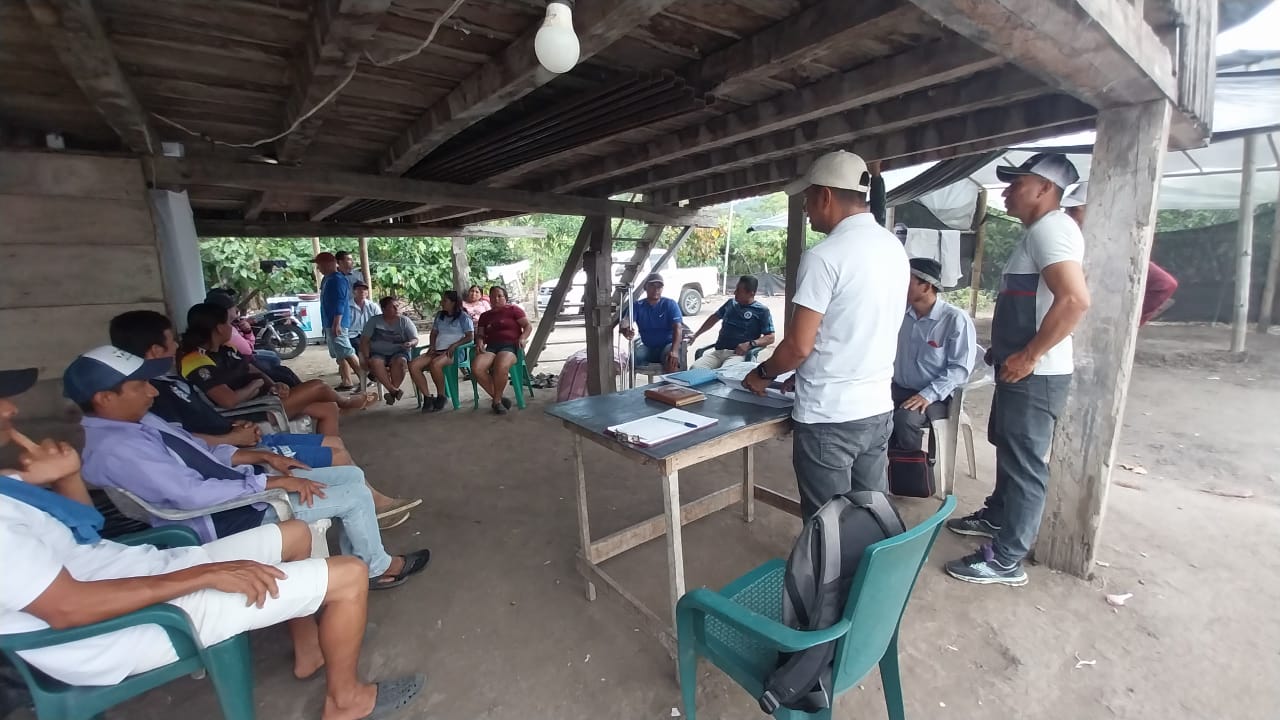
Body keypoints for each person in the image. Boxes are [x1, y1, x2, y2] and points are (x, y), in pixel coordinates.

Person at [0, 367, 425, 718]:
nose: (11, 409)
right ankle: (345, 701)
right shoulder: (108, 453)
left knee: (297, 535)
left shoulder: (15, 485)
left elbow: (86, 538)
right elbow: (69, 609)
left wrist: (67, 476)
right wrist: (206, 574)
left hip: (140, 574)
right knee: (348, 575)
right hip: (118, 630)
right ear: (105, 399)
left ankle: (310, 648)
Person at [71, 346, 431, 591]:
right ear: (105, 398)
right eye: (140, 386)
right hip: (229, 515)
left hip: (242, 488)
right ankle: (377, 568)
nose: (152, 392)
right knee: (352, 495)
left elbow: (203, 453)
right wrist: (272, 483)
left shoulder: (140, 423)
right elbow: (190, 495)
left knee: (351, 476)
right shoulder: (118, 449)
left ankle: (365, 560)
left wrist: (263, 457)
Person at [109, 309, 421, 529]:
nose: (177, 344)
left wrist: (267, 385)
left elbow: (248, 372)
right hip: (246, 429)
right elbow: (215, 414)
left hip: (243, 429)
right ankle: (366, 500)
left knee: (327, 415)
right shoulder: (162, 389)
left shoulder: (200, 363)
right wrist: (236, 433)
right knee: (319, 393)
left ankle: (366, 497)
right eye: (229, 321)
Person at [943, 153, 1091, 587]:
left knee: (1026, 464)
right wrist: (1009, 350)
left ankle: (1007, 559)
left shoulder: (1052, 230)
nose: (1006, 192)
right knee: (1009, 448)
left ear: (1045, 188)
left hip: (1036, 375)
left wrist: (1029, 355)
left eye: (1017, 183)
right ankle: (999, 516)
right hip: (1023, 371)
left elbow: (1074, 300)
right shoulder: (1040, 232)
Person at [741, 150, 909, 519]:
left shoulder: (824, 256)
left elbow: (798, 346)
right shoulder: (893, 248)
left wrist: (762, 374)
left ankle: (830, 563)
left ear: (826, 196)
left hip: (830, 418)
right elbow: (855, 326)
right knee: (870, 517)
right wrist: (805, 373)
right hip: (877, 409)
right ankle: (869, 561)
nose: (805, 208)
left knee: (828, 528)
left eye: (808, 197)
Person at [178, 303, 366, 436]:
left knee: (328, 408)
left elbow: (254, 370)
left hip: (264, 401)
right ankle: (346, 402)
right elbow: (228, 400)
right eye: (229, 323)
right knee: (318, 386)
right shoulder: (195, 360)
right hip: (247, 413)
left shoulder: (226, 349)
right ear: (219, 328)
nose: (232, 328)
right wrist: (256, 385)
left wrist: (273, 384)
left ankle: (331, 457)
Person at [889, 258, 977, 452]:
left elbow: (959, 370)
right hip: (898, 389)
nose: (899, 285)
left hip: (938, 396)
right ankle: (884, 465)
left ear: (926, 286)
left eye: (907, 280)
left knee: (905, 419)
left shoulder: (955, 319)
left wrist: (927, 395)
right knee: (869, 413)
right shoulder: (899, 314)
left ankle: (911, 467)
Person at [1061, 181, 1177, 325]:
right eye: (1068, 211)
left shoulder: (1114, 248)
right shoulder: (1078, 241)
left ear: (1098, 210)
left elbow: (1164, 284)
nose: (1069, 216)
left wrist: (1127, 323)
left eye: (1074, 210)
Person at [689, 275, 776, 370]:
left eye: (738, 290)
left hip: (739, 355)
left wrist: (750, 344)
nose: (735, 293)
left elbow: (770, 337)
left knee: (725, 373)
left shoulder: (762, 311)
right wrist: (696, 335)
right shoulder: (730, 303)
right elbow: (714, 318)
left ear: (751, 293)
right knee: (695, 369)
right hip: (719, 352)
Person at [410, 290, 475, 413]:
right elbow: (434, 333)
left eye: (445, 300)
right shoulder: (440, 315)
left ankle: (441, 395)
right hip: (437, 350)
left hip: (454, 352)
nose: (442, 303)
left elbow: (470, 337)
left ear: (453, 303)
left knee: (435, 364)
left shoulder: (463, 317)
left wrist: (455, 345)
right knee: (413, 365)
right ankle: (428, 397)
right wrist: (432, 346)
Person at [473, 286, 531, 415]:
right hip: (492, 347)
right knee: (477, 368)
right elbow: (480, 334)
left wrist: (522, 338)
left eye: (499, 296)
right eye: (493, 296)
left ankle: (496, 401)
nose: (496, 299)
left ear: (505, 298)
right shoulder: (485, 316)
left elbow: (528, 326)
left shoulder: (514, 310)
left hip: (511, 346)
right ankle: (498, 397)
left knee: (501, 365)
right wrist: (480, 341)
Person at [360, 297, 419, 406]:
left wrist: (410, 343)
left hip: (399, 352)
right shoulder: (374, 321)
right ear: (383, 309)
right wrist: (366, 357)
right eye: (393, 307)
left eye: (397, 306)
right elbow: (364, 341)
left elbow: (415, 339)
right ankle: (394, 391)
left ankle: (392, 392)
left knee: (401, 362)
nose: (397, 309)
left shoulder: (404, 321)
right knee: (375, 362)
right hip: (378, 352)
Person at [621, 273, 684, 372]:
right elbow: (625, 323)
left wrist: (674, 351)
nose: (656, 289)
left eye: (659, 287)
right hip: (647, 346)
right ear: (645, 287)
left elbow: (678, 328)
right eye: (652, 286)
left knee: (671, 360)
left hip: (667, 345)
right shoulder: (637, 305)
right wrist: (626, 330)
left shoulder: (670, 304)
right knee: (631, 359)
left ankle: (670, 382)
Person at [317, 252, 359, 392]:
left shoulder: (337, 279)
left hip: (337, 322)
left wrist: (337, 323)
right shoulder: (328, 279)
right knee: (340, 353)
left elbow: (339, 302)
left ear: (328, 264)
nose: (318, 268)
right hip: (330, 321)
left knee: (346, 350)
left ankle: (365, 377)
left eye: (320, 265)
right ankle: (347, 380)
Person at [339, 281, 378, 392]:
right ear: (354, 292)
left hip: (368, 334)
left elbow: (380, 321)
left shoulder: (372, 306)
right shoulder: (347, 306)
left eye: (364, 289)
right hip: (351, 334)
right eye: (359, 289)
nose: (362, 292)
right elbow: (342, 324)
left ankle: (368, 376)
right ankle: (367, 375)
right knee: (355, 347)